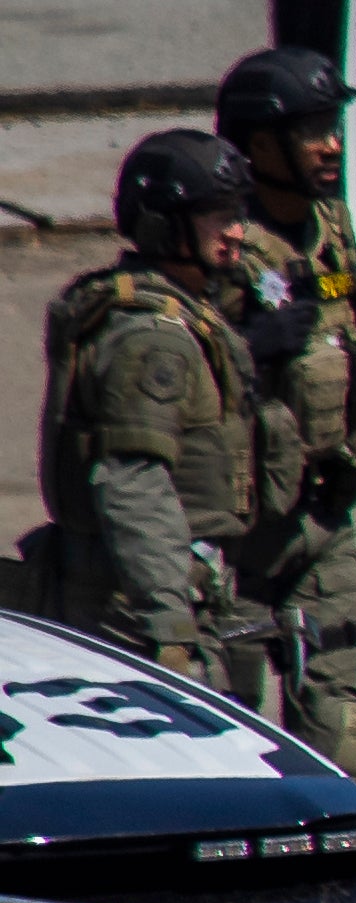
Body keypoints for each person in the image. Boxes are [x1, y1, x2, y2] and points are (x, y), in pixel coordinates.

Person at [213, 50, 356, 776]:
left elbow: (330, 305)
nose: (332, 143)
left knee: (341, 740)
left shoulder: (329, 220)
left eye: (333, 125)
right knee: (228, 739)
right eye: (312, 129)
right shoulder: (218, 238)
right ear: (260, 146)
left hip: (322, 517)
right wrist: (246, 348)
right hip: (238, 536)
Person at [39, 131, 263, 689]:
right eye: (217, 216)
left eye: (236, 212)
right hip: (136, 601)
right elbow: (133, 482)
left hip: (171, 583)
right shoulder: (153, 341)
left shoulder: (182, 308)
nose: (236, 231)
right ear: (166, 224)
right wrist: (169, 624)